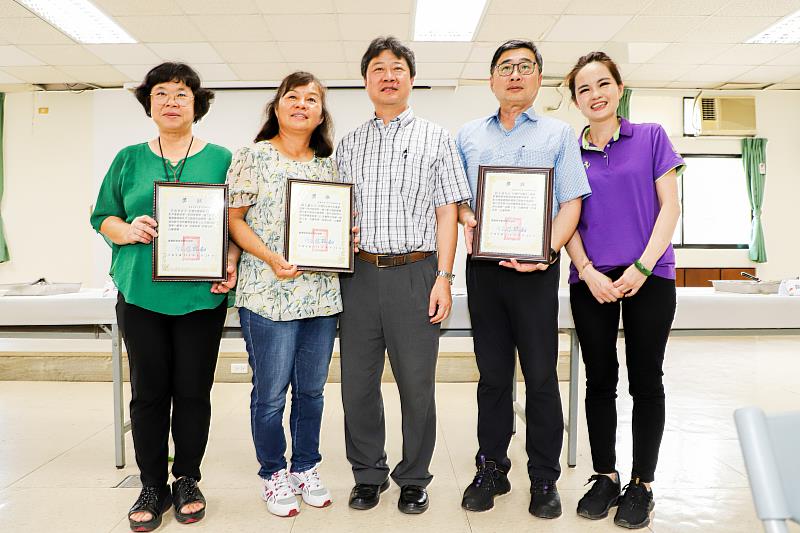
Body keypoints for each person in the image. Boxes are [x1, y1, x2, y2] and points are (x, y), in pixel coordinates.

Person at [90, 62, 237, 532]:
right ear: (149, 104)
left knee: (193, 391)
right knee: (149, 393)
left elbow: (237, 222)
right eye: (161, 94)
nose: (171, 102)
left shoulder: (222, 159)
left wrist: (231, 259)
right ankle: (152, 484)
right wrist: (127, 229)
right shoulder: (128, 158)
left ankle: (188, 478)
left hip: (201, 296)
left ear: (197, 104)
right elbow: (102, 216)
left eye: (181, 94)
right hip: (141, 293)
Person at [335, 36, 471, 515]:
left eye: (397, 68)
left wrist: (445, 277)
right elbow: (333, 210)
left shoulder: (437, 138)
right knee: (357, 384)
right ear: (366, 81)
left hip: (417, 272)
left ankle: (414, 477)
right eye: (378, 68)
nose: (388, 76)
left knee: (417, 385)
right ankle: (367, 474)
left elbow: (447, 212)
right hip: (358, 276)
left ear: (411, 79)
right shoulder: (349, 144)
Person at [455, 39, 590, 519]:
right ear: (491, 79)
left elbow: (571, 202)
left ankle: (544, 477)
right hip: (484, 271)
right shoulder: (468, 135)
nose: (515, 75)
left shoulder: (559, 134)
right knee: (492, 376)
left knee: (540, 376)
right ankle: (491, 467)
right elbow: (459, 198)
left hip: (537, 272)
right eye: (506, 67)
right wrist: (469, 218)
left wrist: (547, 252)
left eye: (525, 67)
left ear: (538, 78)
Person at [227, 71, 355, 518]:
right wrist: (270, 256)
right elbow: (234, 220)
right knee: (270, 395)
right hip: (268, 294)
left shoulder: (330, 166)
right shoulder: (252, 156)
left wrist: (346, 237)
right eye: (293, 97)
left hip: (320, 296)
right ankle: (272, 473)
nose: (302, 104)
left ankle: (305, 467)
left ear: (321, 114)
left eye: (312, 99)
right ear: (277, 107)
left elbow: (337, 220)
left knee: (312, 392)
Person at [563, 52, 683, 529]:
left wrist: (643, 266)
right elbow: (567, 219)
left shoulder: (651, 137)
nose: (595, 95)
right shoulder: (569, 152)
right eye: (584, 89)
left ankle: (641, 484)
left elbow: (670, 207)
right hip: (590, 280)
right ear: (575, 100)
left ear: (619, 87)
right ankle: (605, 477)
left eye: (603, 84)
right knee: (599, 380)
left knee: (646, 380)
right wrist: (587, 270)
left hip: (650, 276)